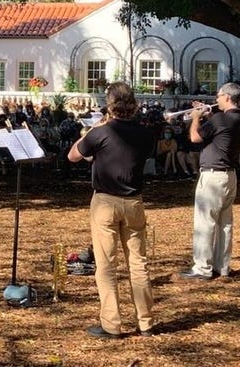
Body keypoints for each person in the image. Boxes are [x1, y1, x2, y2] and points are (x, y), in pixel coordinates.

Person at [68, 82, 155, 338]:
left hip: (105, 201)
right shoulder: (146, 133)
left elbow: (73, 155)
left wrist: (90, 133)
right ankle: (146, 322)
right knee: (138, 264)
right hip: (134, 201)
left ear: (110, 103)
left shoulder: (101, 132)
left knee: (106, 265)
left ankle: (111, 324)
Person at [180, 82, 240, 280]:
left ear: (227, 97)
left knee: (205, 223)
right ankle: (222, 266)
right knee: (224, 223)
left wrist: (195, 118)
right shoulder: (239, 119)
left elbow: (194, 137)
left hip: (212, 176)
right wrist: (208, 116)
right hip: (229, 176)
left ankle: (202, 268)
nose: (215, 100)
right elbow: (220, 131)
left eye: (218, 96)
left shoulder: (220, 119)